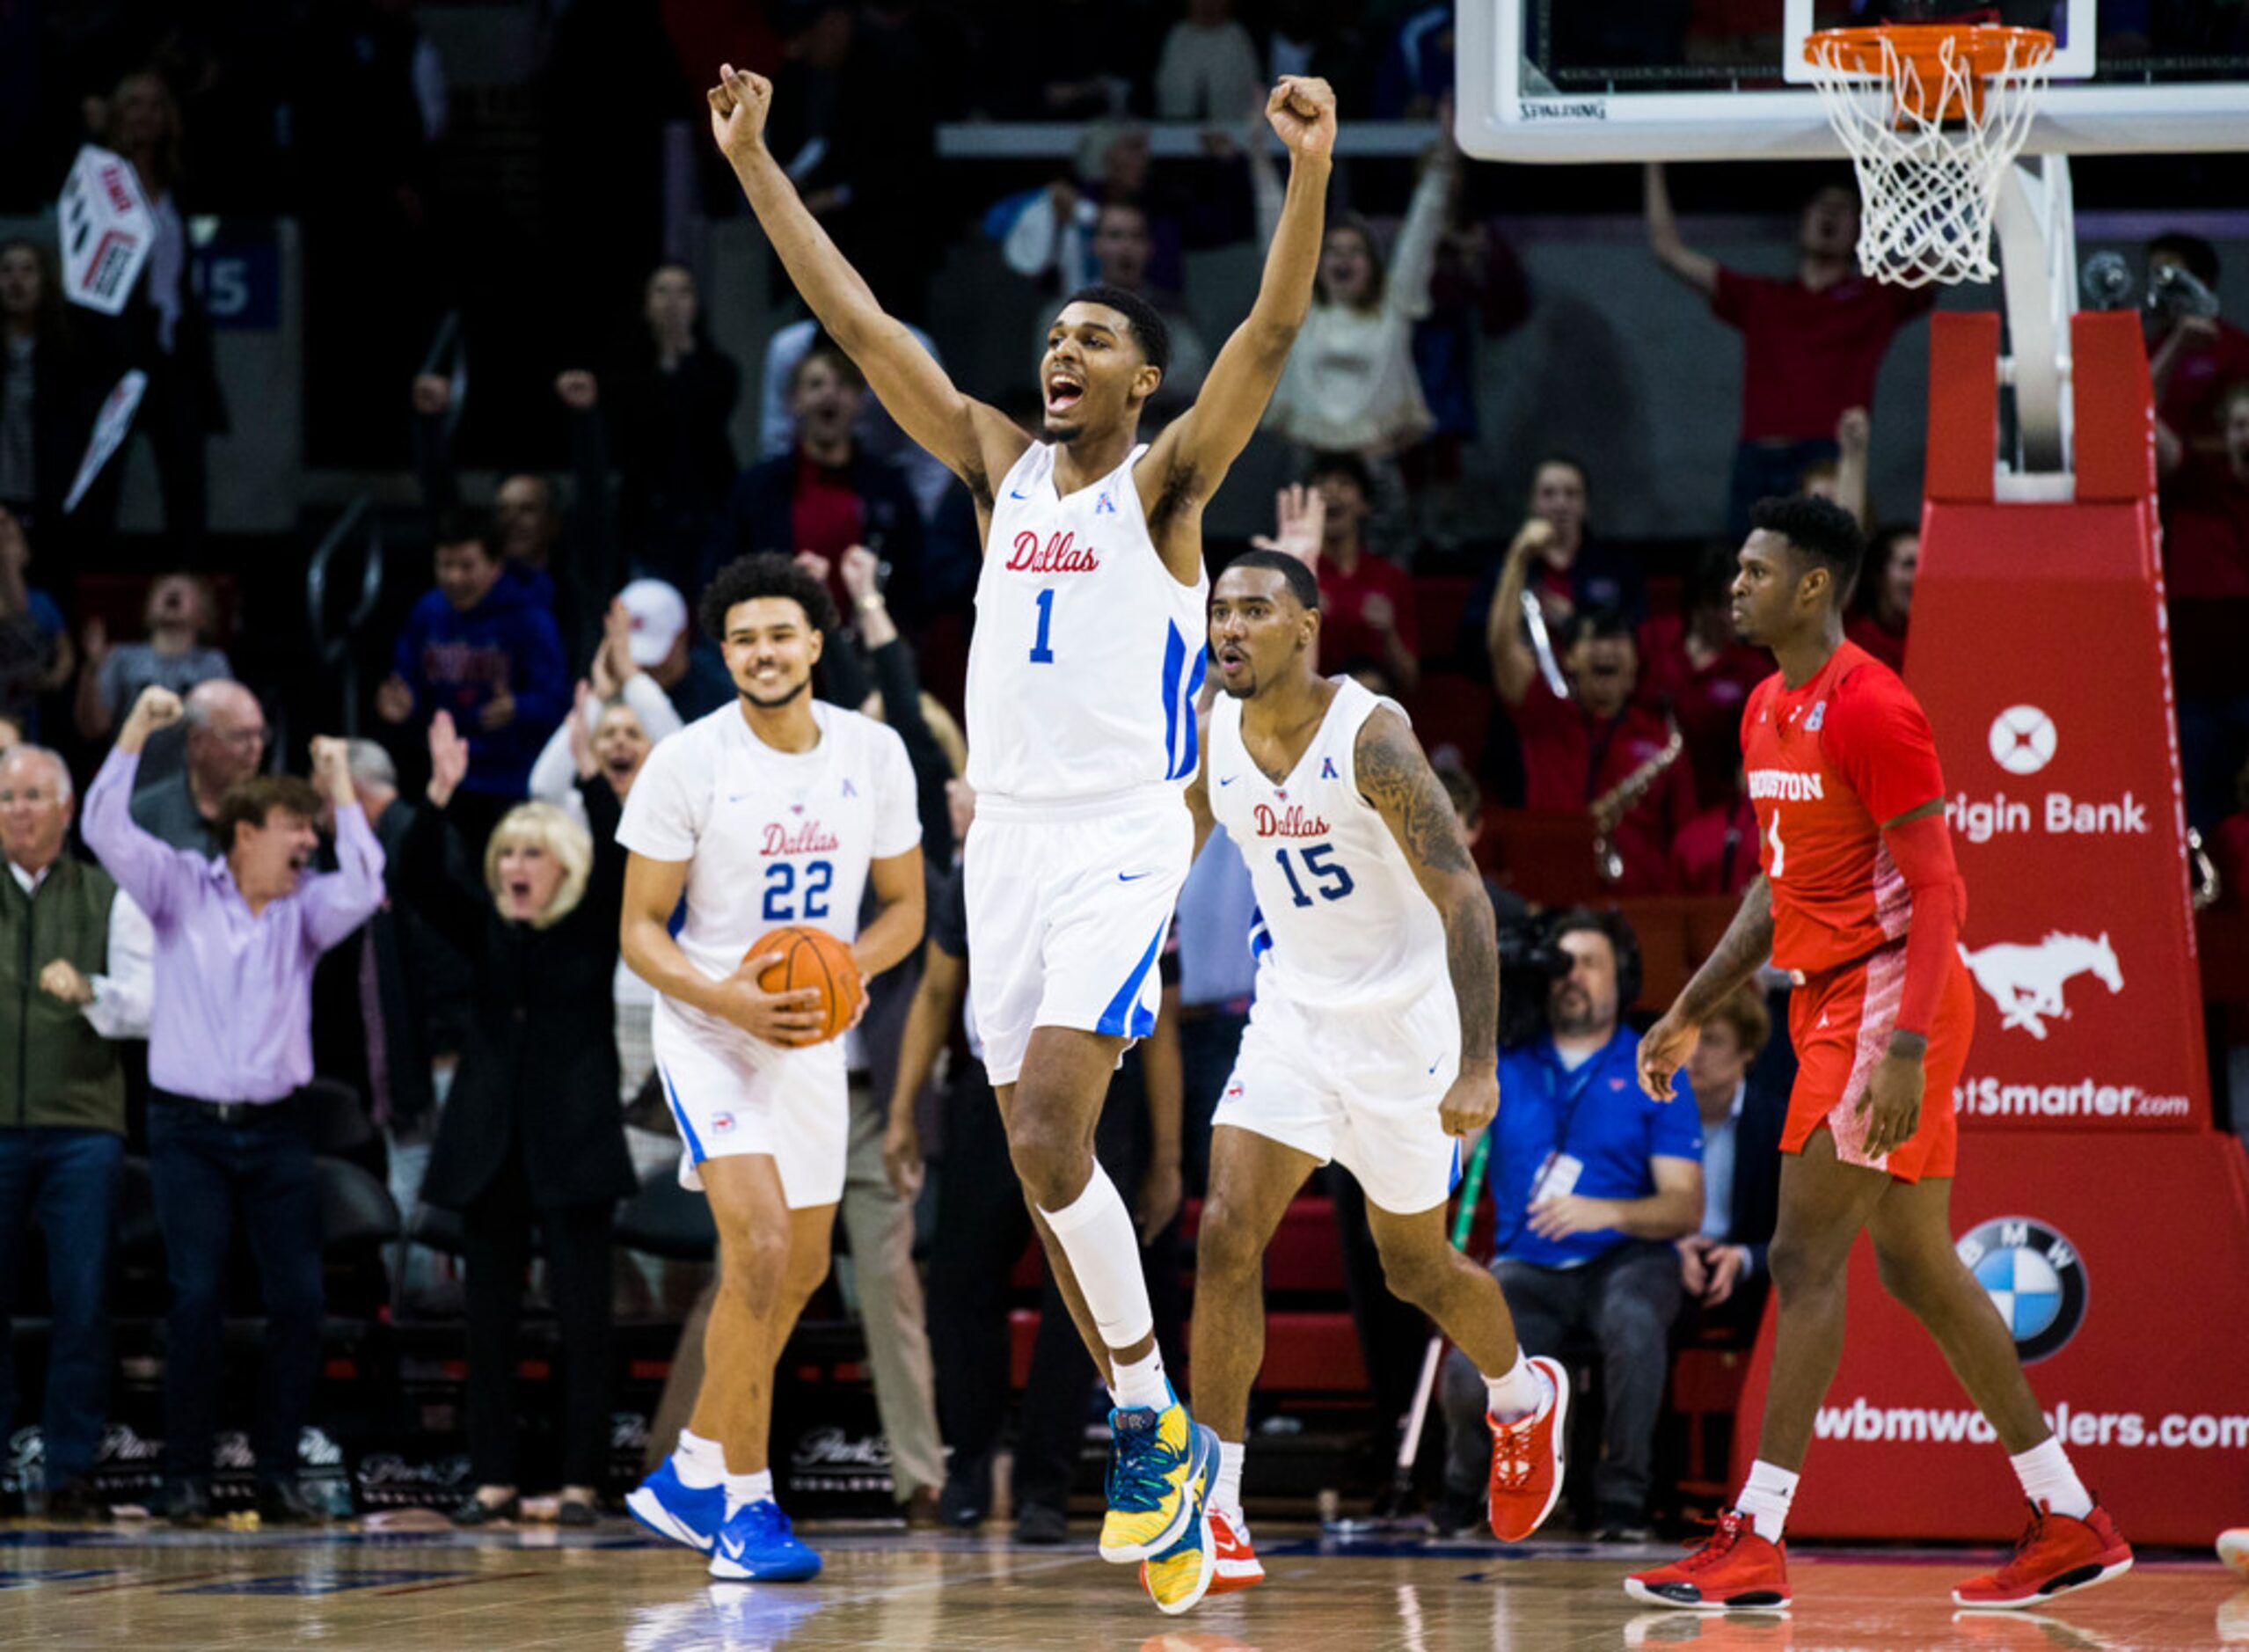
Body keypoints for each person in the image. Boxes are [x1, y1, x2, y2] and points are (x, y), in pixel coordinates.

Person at [701, 56, 1336, 1613]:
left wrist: (1307, 174)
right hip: (1009, 840)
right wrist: (753, 167)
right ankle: (1154, 1420)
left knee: (1056, 1124)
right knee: (1043, 1171)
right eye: (1056, 333)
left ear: (1138, 383)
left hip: (1127, 829)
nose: (1064, 347)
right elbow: (860, 325)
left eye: (1095, 337)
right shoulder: (997, 465)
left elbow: (1266, 332)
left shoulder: (1171, 482)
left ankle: (1143, 1420)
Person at [1625, 495, 2133, 1611]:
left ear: (1813, 586)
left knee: (1803, 1262)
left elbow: (1943, 886)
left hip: (1887, 997)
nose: (1735, 588)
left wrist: (1904, 1049)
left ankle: (1754, 1536)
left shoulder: (1874, 707)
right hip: (1833, 996)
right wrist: (1688, 1006)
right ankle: (2067, 1516)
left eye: (1756, 573)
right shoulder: (1765, 708)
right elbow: (1775, 889)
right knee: (1910, 1261)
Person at [1180, 551, 1567, 1594]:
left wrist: (1478, 1062)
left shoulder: (1373, 738)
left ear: (1306, 626)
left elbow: (1467, 900)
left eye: (1254, 610)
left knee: (1415, 1271)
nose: (1230, 627)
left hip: (1405, 1036)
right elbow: (1171, 839)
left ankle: (1521, 1396)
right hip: (1293, 1019)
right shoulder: (1217, 731)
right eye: (1220, 610)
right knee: (1224, 1232)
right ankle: (1213, 1506)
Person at [617, 553, 924, 1583]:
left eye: (780, 634)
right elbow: (639, 931)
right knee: (751, 1247)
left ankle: (692, 1467)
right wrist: (731, 999)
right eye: (743, 638)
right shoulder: (687, 763)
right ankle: (744, 1512)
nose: (763, 653)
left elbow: (905, 913)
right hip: (710, 1029)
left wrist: (847, 966)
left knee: (796, 1272)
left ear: (814, 641)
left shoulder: (874, 752)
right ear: (725, 653)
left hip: (807, 1033)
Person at [82, 688, 383, 1525]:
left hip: (277, 1131)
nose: (309, 846)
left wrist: (342, 791)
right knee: (196, 1298)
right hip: (187, 1133)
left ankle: (279, 1473)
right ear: (247, 834)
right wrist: (138, 732)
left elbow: (366, 884)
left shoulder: (306, 910)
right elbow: (105, 829)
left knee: (298, 1301)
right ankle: (185, 1477)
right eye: (298, 831)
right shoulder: (179, 888)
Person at [405, 712, 639, 1528]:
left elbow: (619, 861)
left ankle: (578, 1484)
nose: (514, 864)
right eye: (507, 851)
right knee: (488, 1328)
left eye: (532, 852)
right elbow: (420, 883)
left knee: (584, 1324)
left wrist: (585, 778)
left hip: (571, 1148)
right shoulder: (489, 933)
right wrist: (438, 798)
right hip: (488, 1146)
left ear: (562, 866)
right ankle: (492, 1480)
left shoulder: (591, 925)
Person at [1437, 910, 1704, 1543]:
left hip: (1627, 1257)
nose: (1572, 977)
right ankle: (1461, 1487)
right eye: (1561, 964)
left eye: (1589, 963)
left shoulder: (1653, 1067)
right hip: (1526, 1263)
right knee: (1468, 1354)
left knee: (1633, 1325)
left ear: (1623, 979)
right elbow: (1450, 1158)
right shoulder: (1501, 1065)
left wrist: (1607, 1212)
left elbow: (1684, 1206)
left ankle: (1621, 1503)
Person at [0, 744, 151, 1517]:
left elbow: (152, 1004)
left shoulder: (108, 894)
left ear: (65, 809)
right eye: (5, 797)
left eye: (32, 796)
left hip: (82, 1128)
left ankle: (69, 1468)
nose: (16, 810)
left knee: (82, 1300)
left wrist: (92, 991)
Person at [1646, 165, 1934, 537]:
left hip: (1826, 459)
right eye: (1821, 205)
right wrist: (1652, 161)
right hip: (1757, 458)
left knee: (1825, 569)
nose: (1830, 213)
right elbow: (1668, 250)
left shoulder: (1875, 298)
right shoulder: (1762, 297)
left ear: (1861, 229)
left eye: (1844, 207)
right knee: (1743, 578)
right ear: (1801, 221)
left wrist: (1941, 159)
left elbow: (1945, 258)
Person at [1487, 528, 1694, 894]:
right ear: (1568, 657)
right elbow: (1502, 646)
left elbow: (1684, 838)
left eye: (1617, 639)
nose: (1606, 650)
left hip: (1639, 908)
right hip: (1551, 898)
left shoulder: (1662, 739)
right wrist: (1519, 557)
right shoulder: (1543, 714)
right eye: (1593, 638)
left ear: (1635, 661)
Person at [376, 510, 569, 844]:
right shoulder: (428, 611)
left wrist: (520, 707)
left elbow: (559, 701)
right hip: (443, 777)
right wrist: (401, 702)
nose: (454, 577)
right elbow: (407, 681)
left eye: (466, 566)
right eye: (445, 565)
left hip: (510, 782)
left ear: (496, 566)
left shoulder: (531, 618)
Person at [708, 342, 924, 625]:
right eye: (816, 384)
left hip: (867, 655)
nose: (829, 394)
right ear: (794, 401)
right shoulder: (757, 489)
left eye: (843, 384)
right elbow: (726, 573)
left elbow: (915, 582)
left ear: (860, 401)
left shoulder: (889, 489)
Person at [1676, 988, 1784, 1341]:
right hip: (1672, 1263)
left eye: (1710, 1041)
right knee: (1638, 1298)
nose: (1693, 1055)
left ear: (1747, 1050)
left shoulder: (1777, 1125)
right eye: (1686, 1040)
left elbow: (1803, 1237)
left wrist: (1745, 1258)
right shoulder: (1653, 1117)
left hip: (1752, 1270)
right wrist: (1670, 1250)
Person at [1297, 461, 1421, 694]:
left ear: (1365, 504)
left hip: (1370, 705)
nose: (1331, 492)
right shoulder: (1295, 577)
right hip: (1306, 703)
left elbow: (1410, 680)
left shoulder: (1391, 578)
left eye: (1344, 483)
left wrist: (1388, 633)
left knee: (1366, 685)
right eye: (1321, 484)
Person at [76, 573, 231, 742]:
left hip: (191, 768)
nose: (173, 590)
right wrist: (92, 669)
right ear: (148, 607)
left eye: (186, 589)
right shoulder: (122, 657)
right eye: (163, 588)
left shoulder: (213, 663)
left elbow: (227, 726)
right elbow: (94, 728)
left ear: (204, 614)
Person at [128, 677, 267, 854]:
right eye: (240, 736)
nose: (255, 748)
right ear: (197, 742)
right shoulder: (143, 817)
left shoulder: (275, 816)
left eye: (260, 734)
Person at [1844, 523, 1919, 673]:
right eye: (1909, 565)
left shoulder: (1933, 644)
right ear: (1877, 575)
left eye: (1924, 565)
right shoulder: (1849, 644)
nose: (1918, 577)